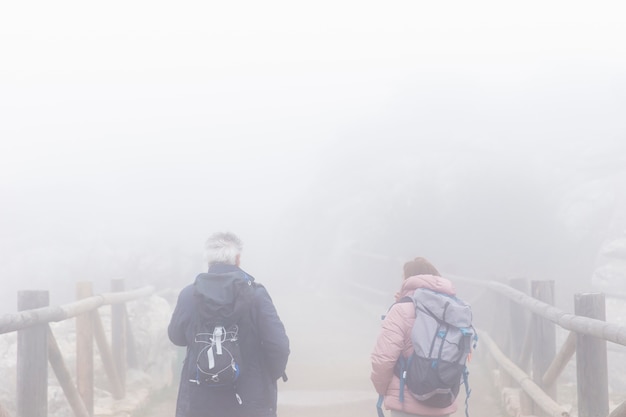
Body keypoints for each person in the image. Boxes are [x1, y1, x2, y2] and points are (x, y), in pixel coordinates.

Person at [168, 232, 290, 417]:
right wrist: (265, 376)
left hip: (200, 398)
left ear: (207, 260)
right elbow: (279, 345)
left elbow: (176, 336)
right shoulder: (256, 294)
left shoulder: (189, 295)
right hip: (249, 399)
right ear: (238, 259)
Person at [371, 257, 458, 417]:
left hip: (406, 405)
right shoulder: (452, 311)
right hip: (442, 401)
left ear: (408, 280)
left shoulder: (400, 310)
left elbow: (383, 359)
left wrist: (384, 389)